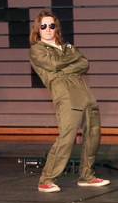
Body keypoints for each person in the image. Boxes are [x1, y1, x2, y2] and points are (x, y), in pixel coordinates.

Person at [29, 10, 110, 192]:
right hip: (65, 94)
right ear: (38, 29)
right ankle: (47, 179)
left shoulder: (66, 47)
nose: (48, 29)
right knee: (67, 136)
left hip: (84, 91)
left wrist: (65, 65)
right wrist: (71, 62)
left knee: (93, 135)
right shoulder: (37, 49)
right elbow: (53, 65)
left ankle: (87, 176)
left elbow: (85, 63)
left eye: (51, 25)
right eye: (43, 26)